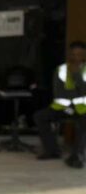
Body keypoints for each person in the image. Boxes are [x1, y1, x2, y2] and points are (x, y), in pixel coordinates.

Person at [34, 40, 86, 168]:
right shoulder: (61, 70)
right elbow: (58, 93)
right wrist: (70, 106)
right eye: (73, 54)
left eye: (79, 54)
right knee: (40, 116)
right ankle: (52, 150)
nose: (76, 57)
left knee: (84, 121)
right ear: (69, 54)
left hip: (83, 108)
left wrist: (77, 75)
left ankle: (77, 155)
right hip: (64, 107)